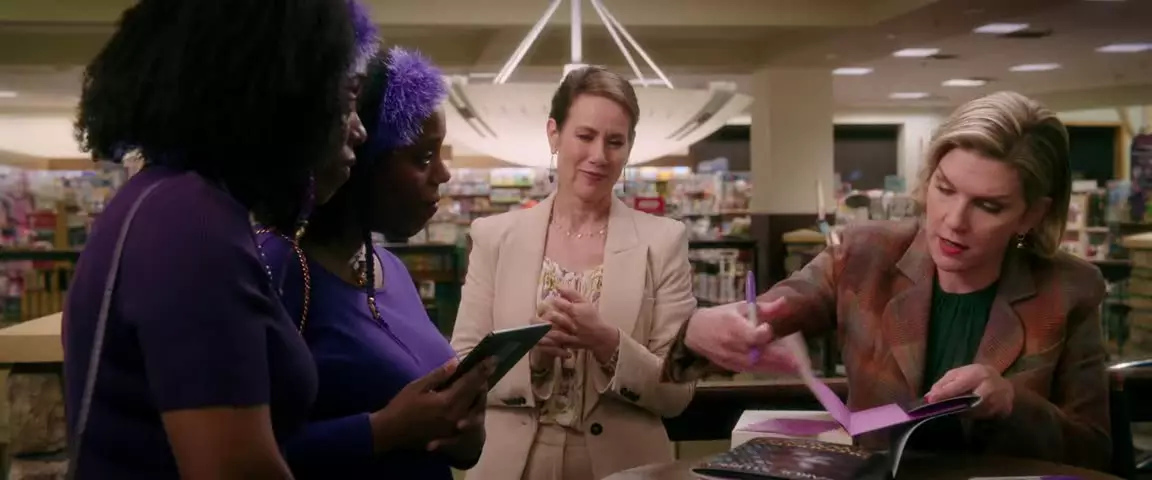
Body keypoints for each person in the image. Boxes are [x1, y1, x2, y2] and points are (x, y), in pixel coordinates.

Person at [666, 91, 1110, 470]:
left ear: (1032, 215)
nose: (954, 220)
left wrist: (1010, 402)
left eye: (988, 206)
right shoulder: (865, 255)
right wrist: (700, 331)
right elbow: (764, 314)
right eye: (945, 189)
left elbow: (1094, 452)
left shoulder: (1069, 290)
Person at [62, 0, 375, 478]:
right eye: (347, 98)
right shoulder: (192, 222)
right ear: (284, 92)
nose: (358, 128)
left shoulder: (164, 201)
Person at [450, 66, 698, 480]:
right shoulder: (494, 237)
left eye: (615, 142)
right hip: (511, 466)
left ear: (629, 147)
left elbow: (678, 393)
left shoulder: (664, 242)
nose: (599, 155)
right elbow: (463, 368)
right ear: (554, 134)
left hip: (627, 467)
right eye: (585, 136)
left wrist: (607, 343)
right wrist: (534, 358)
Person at [257, 47, 493, 480]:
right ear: (364, 160)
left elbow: (451, 447)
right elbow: (237, 454)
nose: (443, 174)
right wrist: (383, 431)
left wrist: (464, 430)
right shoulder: (279, 268)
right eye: (423, 157)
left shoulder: (389, 268)